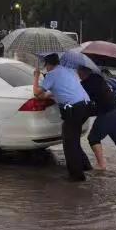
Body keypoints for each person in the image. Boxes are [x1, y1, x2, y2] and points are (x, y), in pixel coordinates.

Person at [33, 53, 92, 181]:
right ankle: (85, 166)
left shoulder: (52, 74)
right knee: (73, 138)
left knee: (69, 142)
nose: (45, 68)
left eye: (45, 65)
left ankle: (76, 176)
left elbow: (36, 93)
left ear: (48, 64)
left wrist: (36, 76)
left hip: (74, 108)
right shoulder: (67, 70)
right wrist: (51, 94)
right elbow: (61, 89)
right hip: (86, 106)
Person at [76, 66, 116, 173]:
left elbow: (83, 102)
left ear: (83, 71)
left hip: (108, 114)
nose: (77, 73)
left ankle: (101, 165)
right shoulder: (98, 78)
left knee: (93, 138)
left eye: (78, 71)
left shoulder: (85, 84)